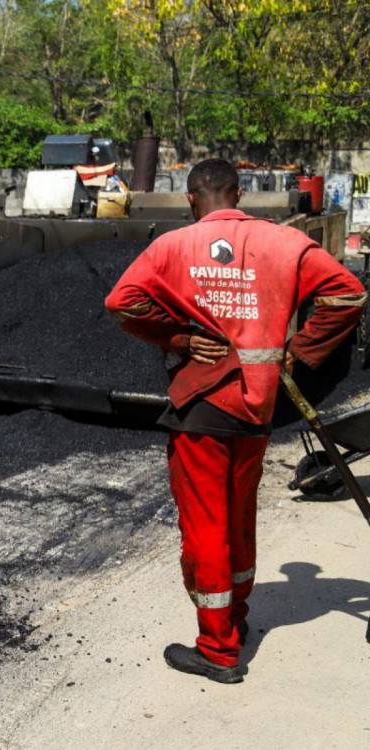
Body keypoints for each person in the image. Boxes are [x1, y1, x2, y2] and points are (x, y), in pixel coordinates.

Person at [105, 159, 366, 683]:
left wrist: (176, 337)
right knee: (238, 517)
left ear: (190, 199)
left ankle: (217, 650)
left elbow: (120, 303)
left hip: (201, 405)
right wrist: (298, 350)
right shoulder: (284, 243)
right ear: (240, 194)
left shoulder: (171, 247)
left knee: (204, 524)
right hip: (257, 408)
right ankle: (236, 619)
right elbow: (348, 294)